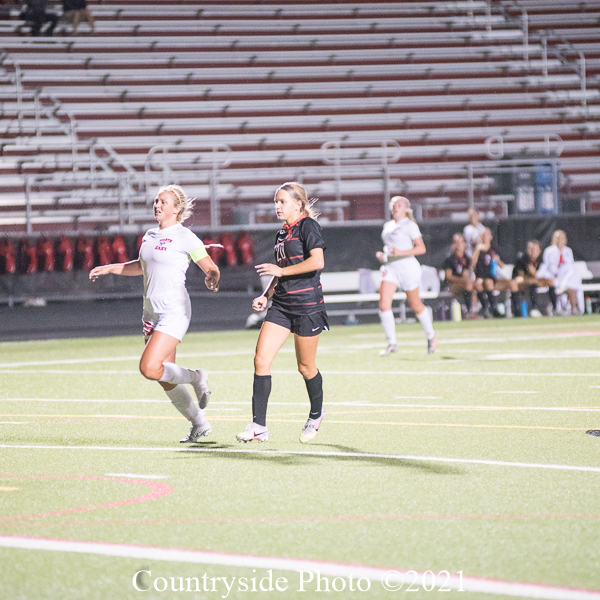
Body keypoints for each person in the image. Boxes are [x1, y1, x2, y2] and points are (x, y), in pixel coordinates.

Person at [89, 185, 220, 443]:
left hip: (175, 310)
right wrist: (111, 268)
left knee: (149, 367)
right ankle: (199, 423)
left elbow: (210, 267)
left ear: (176, 209)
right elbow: (141, 266)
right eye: (156, 201)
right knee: (164, 376)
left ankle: (197, 377)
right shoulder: (149, 235)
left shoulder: (185, 237)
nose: (157, 205)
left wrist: (212, 276)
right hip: (151, 313)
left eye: (163, 202)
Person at [237, 182, 328, 444]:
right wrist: (265, 296)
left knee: (305, 367)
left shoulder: (308, 226)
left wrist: (281, 271)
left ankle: (316, 414)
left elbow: (317, 262)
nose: (277, 206)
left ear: (298, 204)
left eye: (282, 201)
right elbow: (280, 273)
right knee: (261, 360)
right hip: (281, 306)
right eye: (276, 202)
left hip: (307, 305)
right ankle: (258, 427)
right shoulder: (281, 234)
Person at [376, 195, 436, 356]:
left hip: (407, 268)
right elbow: (391, 248)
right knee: (384, 304)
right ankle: (392, 343)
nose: (396, 207)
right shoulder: (388, 225)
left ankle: (431, 335)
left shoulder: (410, 225)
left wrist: (401, 252)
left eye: (400, 205)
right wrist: (384, 256)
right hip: (390, 268)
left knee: (415, 304)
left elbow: (421, 248)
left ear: (406, 208)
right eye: (394, 204)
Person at [538, 230, 583, 315]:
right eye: (558, 238)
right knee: (557, 284)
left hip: (566, 278)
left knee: (573, 286)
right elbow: (548, 267)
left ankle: (574, 308)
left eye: (562, 238)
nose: (560, 240)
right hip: (554, 277)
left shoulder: (568, 251)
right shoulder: (549, 251)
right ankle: (558, 308)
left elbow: (570, 266)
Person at [471, 227, 507, 318]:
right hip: (480, 276)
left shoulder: (493, 249)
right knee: (478, 283)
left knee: (488, 282)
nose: (484, 236)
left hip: (490, 276)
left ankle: (494, 308)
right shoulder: (478, 249)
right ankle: (485, 308)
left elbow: (502, 265)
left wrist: (498, 260)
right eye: (483, 235)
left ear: (490, 237)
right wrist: (477, 250)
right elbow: (472, 263)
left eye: (487, 234)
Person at [512, 240, 552, 318]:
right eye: (532, 249)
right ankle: (525, 310)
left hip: (536, 281)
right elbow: (520, 276)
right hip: (522, 283)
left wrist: (535, 276)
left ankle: (553, 308)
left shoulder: (541, 260)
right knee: (529, 282)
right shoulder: (523, 259)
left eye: (536, 250)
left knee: (550, 282)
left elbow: (542, 274)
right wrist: (533, 276)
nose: (534, 252)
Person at [443, 233, 474, 316]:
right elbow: (448, 276)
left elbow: (467, 273)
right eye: (456, 242)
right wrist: (462, 280)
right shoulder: (450, 259)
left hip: (466, 283)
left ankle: (483, 311)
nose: (459, 245)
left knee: (477, 285)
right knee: (468, 284)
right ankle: (469, 311)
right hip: (453, 286)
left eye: (461, 242)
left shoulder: (466, 258)